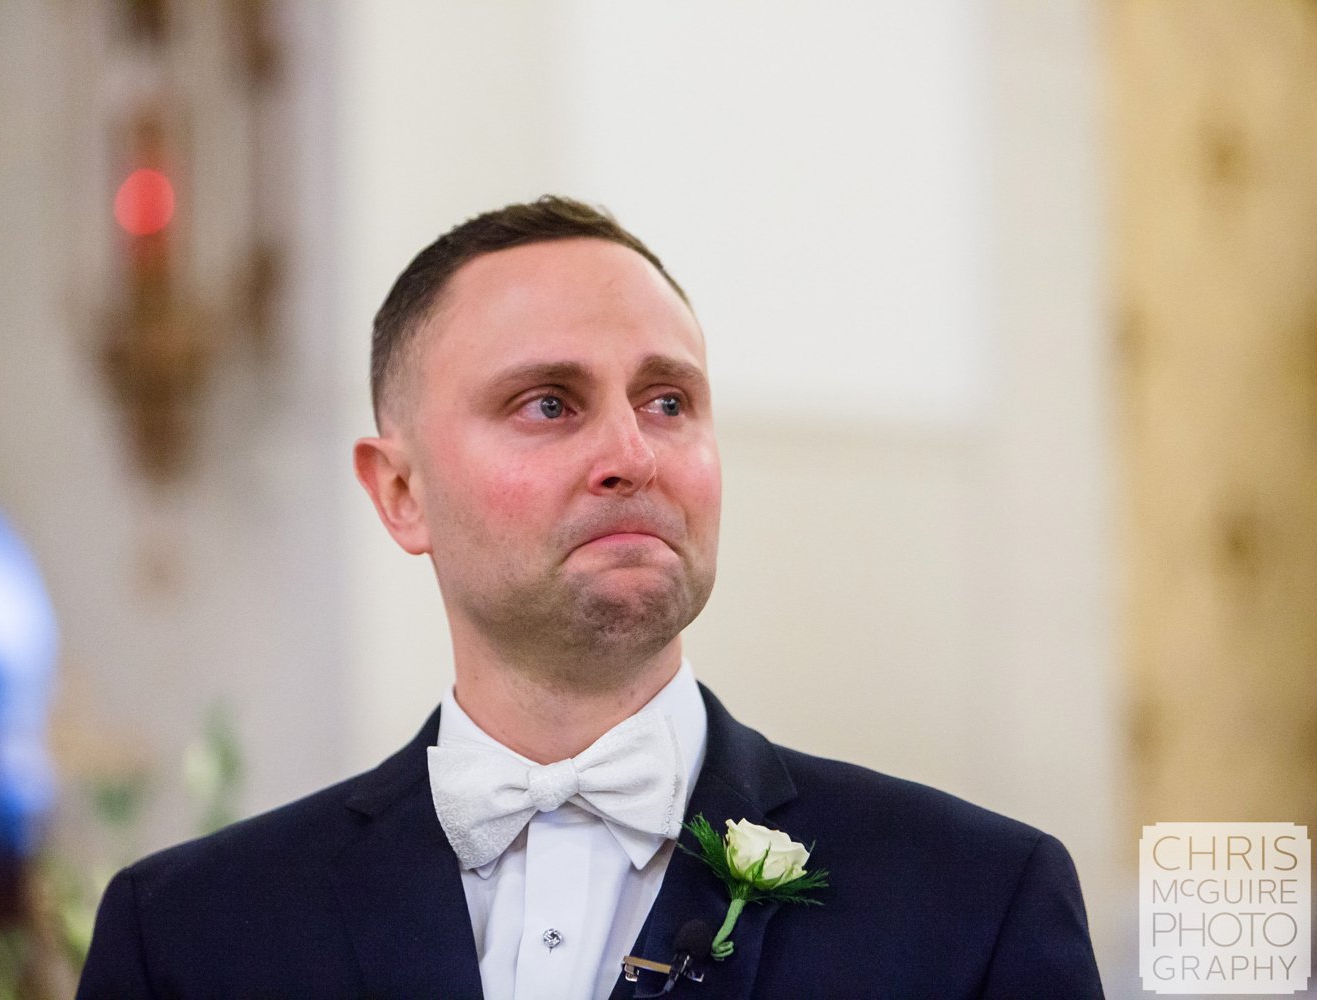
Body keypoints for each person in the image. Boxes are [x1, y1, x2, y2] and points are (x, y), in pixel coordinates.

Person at [77, 196, 1105, 999]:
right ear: (401, 492)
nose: (630, 452)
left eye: (669, 401)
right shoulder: (194, 936)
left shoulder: (973, 904)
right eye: (548, 403)